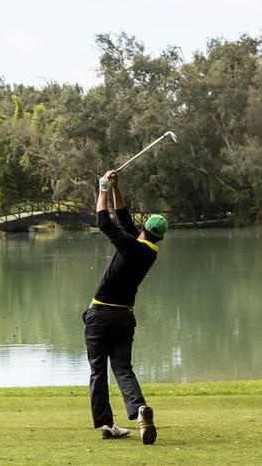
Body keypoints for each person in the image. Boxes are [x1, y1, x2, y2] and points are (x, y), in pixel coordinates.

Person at [83, 169, 167, 444]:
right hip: (124, 318)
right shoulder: (147, 249)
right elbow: (123, 218)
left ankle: (106, 424)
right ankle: (139, 409)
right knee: (123, 369)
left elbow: (103, 221)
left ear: (144, 230)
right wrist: (117, 188)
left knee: (98, 370)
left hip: (101, 315)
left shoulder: (132, 246)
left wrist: (103, 187)